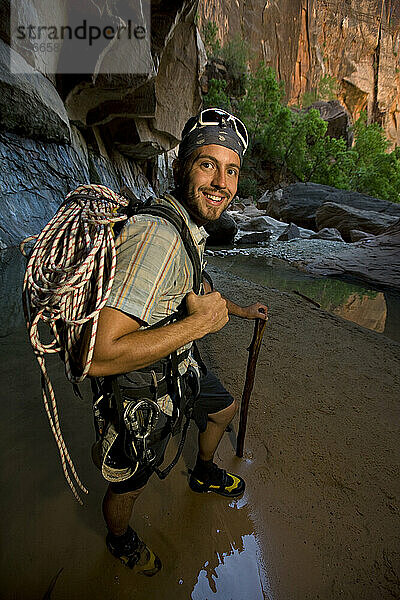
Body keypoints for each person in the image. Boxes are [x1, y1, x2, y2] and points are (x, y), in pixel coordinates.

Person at [84, 108, 268, 575]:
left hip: (179, 364)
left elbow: (188, 288)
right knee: (129, 484)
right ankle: (119, 540)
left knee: (222, 409)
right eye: (208, 164)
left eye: (231, 170)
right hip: (142, 386)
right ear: (182, 165)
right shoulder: (157, 237)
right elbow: (99, 355)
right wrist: (201, 326)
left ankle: (203, 472)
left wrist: (239, 312)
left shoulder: (189, 226)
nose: (221, 182)